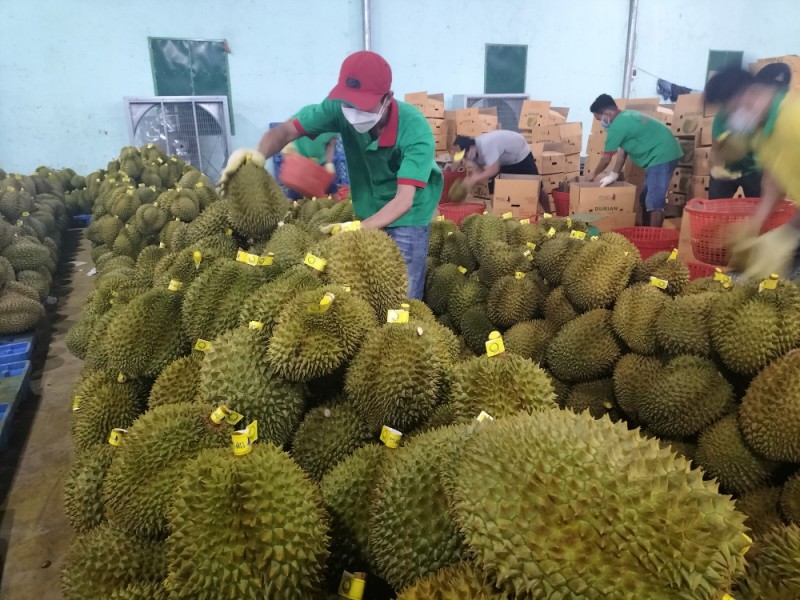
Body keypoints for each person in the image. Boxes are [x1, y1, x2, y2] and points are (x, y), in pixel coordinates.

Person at [251, 51, 443, 300]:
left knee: (402, 297)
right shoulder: (338, 110)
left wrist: (357, 229)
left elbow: (404, 200)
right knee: (363, 290)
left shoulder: (414, 128)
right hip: (367, 204)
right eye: (349, 103)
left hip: (409, 210)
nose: (353, 111)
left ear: (388, 98)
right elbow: (286, 131)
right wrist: (255, 159)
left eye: (362, 104)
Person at [704, 65, 800, 279]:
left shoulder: (794, 121)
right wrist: (755, 222)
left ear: (750, 95)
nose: (730, 121)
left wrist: (788, 233)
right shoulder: (761, 130)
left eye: (730, 111)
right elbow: (775, 178)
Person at [587, 94, 683, 228]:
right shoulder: (626, 116)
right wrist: (614, 174)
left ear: (607, 113)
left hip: (662, 154)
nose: (601, 123)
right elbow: (623, 150)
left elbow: (606, 159)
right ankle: (645, 230)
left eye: (600, 119)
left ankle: (654, 238)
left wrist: (593, 175)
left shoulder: (617, 126)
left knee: (654, 201)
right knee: (644, 198)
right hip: (660, 153)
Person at [708, 63, 792, 199]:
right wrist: (716, 167)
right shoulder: (725, 116)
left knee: (756, 202)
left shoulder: (787, 122)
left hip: (754, 172)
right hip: (728, 170)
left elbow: (775, 178)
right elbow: (716, 147)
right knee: (716, 205)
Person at [452, 131, 549, 213]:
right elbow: (477, 172)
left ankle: (549, 215)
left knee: (538, 189)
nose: (464, 158)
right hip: (501, 160)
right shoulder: (471, 154)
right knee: (495, 194)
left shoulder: (487, 145)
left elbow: (494, 169)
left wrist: (474, 179)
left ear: (471, 148)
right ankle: (501, 218)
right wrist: (466, 185)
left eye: (464, 155)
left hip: (519, 155)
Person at [281, 131, 340, 199]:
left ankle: (336, 203)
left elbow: (331, 145)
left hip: (320, 163)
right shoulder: (302, 122)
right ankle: (292, 205)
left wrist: (329, 162)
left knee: (331, 188)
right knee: (295, 191)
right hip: (300, 162)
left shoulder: (332, 129)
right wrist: (288, 150)